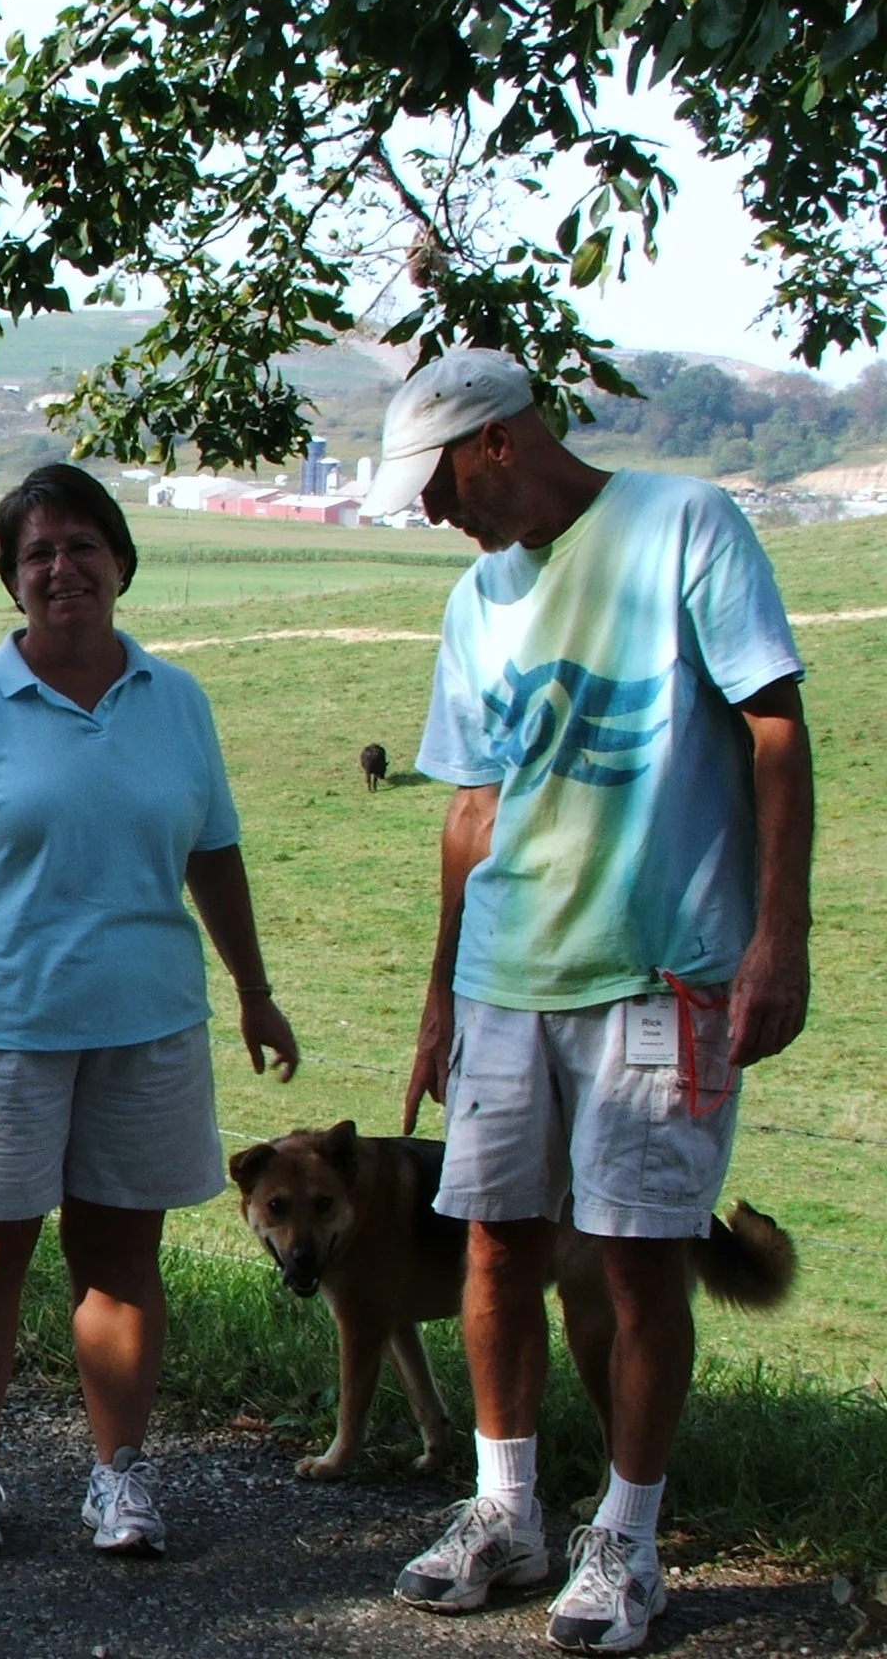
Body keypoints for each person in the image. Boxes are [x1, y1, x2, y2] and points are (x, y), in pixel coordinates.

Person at [383, 348, 813, 1653]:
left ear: (501, 440)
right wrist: (443, 989)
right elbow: (470, 804)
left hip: (658, 967)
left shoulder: (687, 524)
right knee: (496, 1245)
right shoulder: (477, 597)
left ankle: (627, 1539)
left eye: (442, 480)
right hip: (510, 978)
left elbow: (777, 729)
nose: (434, 510)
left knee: (636, 1268)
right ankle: (506, 1510)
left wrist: (778, 938)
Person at [0, 463, 299, 1556]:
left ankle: (119, 1477)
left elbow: (214, 854)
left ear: (122, 562)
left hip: (145, 1024)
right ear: (12, 581)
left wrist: (254, 991)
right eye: (36, 555)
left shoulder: (176, 701)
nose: (61, 568)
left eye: (81, 547)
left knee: (121, 1260)